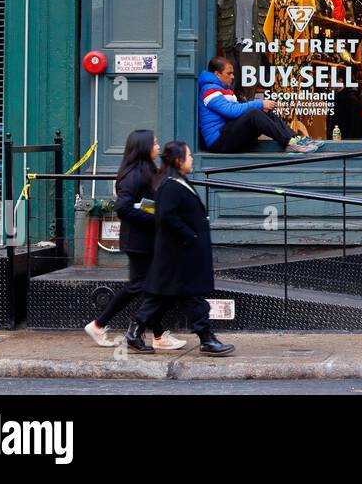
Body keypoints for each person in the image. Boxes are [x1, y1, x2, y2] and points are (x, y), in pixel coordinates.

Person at [125, 141, 235, 356]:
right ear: (178, 160)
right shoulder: (171, 185)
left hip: (178, 253)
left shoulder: (176, 181)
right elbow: (166, 215)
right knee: (192, 296)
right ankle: (206, 339)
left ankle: (135, 331)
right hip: (179, 253)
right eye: (189, 155)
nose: (192, 158)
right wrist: (191, 236)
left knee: (162, 297)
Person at [84, 130, 185, 351]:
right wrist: (155, 218)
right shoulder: (133, 175)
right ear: (144, 147)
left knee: (149, 287)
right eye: (155, 143)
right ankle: (99, 324)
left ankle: (157, 335)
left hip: (147, 239)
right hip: (138, 241)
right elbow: (123, 208)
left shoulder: (147, 170)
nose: (158, 147)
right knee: (141, 286)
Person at [197, 56, 321, 154]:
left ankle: (294, 139)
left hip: (226, 134)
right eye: (229, 73)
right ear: (217, 74)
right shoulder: (210, 90)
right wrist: (259, 103)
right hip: (218, 142)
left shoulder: (221, 88)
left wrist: (261, 107)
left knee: (263, 112)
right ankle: (290, 142)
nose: (233, 77)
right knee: (254, 113)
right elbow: (231, 111)